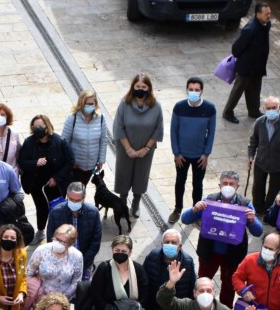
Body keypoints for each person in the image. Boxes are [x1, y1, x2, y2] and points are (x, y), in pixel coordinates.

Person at [181, 170, 263, 305]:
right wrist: (194, 209)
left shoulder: (245, 204)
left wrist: (253, 220)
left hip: (232, 255)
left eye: (232, 184)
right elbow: (185, 219)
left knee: (229, 285)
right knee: (203, 280)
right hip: (209, 252)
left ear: (237, 186)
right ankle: (201, 305)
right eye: (225, 183)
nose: (228, 186)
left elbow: (258, 232)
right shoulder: (209, 200)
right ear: (219, 185)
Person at [112, 73, 164, 218]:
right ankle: (122, 201)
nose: (140, 89)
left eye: (144, 87)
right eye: (138, 86)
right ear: (133, 87)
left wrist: (146, 148)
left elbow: (158, 129)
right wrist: (128, 149)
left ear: (149, 88)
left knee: (141, 175)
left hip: (145, 149)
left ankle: (136, 201)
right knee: (123, 173)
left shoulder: (156, 106)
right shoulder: (124, 104)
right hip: (125, 147)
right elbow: (118, 127)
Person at [17, 114, 75, 243]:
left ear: (47, 126)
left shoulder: (60, 142)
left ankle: (58, 234)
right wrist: (35, 163)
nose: (38, 128)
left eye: (41, 126)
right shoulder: (29, 142)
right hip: (36, 184)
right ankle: (41, 231)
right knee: (41, 208)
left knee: (57, 209)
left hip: (55, 185)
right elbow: (21, 162)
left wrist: (56, 178)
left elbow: (70, 161)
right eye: (35, 126)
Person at [168, 77, 217, 223]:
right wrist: (176, 153)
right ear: (186, 90)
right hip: (181, 155)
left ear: (202, 91)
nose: (194, 92)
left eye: (197, 90)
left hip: (200, 156)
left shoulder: (210, 108)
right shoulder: (179, 107)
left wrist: (206, 154)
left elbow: (211, 133)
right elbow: (173, 131)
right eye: (191, 89)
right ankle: (177, 209)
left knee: (198, 184)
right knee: (180, 182)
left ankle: (196, 212)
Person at [142, 230, 196, 310]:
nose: (170, 244)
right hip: (152, 308)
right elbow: (144, 281)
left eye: (173, 242)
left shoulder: (187, 261)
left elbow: (191, 287)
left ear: (180, 245)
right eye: (167, 242)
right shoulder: (152, 256)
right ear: (162, 244)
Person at [247, 95, 280, 214]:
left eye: (274, 107)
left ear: (279, 108)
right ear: (264, 109)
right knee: (257, 188)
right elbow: (253, 140)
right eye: (268, 108)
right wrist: (251, 155)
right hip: (261, 162)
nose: (271, 110)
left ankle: (269, 211)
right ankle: (258, 209)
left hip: (279, 165)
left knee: (274, 191)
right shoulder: (259, 122)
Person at [224, 3, 272, 123]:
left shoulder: (266, 25)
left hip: (258, 67)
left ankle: (253, 111)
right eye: (266, 14)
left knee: (255, 90)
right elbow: (236, 49)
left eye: (269, 13)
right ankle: (228, 112)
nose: (269, 16)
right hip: (246, 67)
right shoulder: (250, 29)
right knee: (238, 90)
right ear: (258, 14)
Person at [45, 182, 103, 278]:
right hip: (62, 261)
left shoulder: (93, 213)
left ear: (83, 198)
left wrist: (81, 262)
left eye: (78, 200)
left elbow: (95, 243)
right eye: (71, 199)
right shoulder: (56, 212)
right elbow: (51, 239)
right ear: (67, 196)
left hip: (85, 261)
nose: (74, 203)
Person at [61, 90, 108, 187]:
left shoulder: (101, 118)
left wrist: (101, 160)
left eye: (92, 104)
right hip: (75, 166)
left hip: (91, 165)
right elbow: (64, 142)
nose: (90, 106)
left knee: (82, 189)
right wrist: (70, 161)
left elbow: (103, 140)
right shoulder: (72, 118)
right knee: (74, 190)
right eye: (87, 104)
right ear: (81, 104)